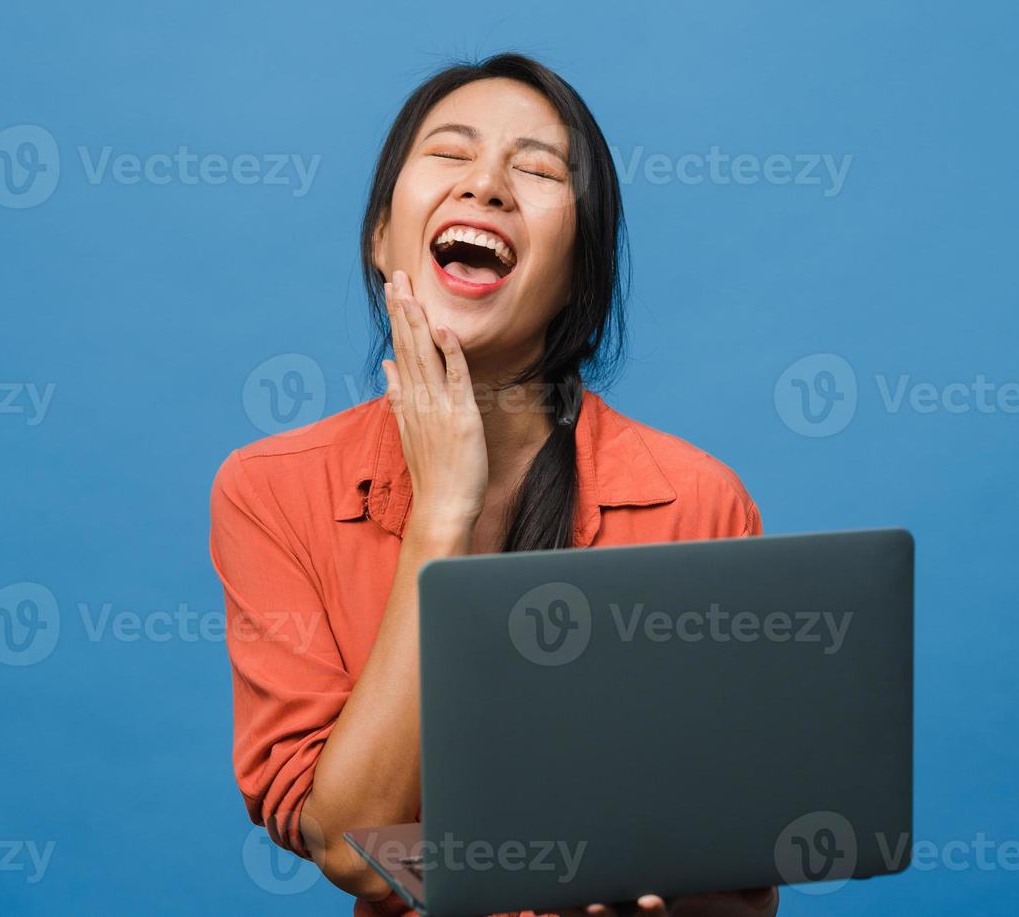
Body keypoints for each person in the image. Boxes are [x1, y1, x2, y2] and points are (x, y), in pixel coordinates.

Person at [209, 53, 776, 917]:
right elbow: (350, 841)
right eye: (450, 153)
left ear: (582, 267)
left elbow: (745, 890)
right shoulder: (269, 490)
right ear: (379, 234)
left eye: (538, 169)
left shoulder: (698, 502)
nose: (487, 187)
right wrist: (442, 512)